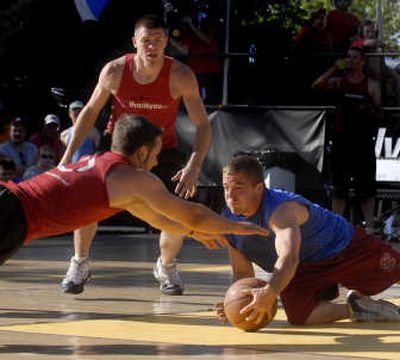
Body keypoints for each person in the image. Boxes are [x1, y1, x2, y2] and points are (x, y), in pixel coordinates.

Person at [59, 15, 211, 296]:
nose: (152, 46)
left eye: (158, 40)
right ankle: (79, 263)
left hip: (160, 149)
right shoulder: (115, 71)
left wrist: (194, 164)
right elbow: (90, 111)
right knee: (86, 200)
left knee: (177, 209)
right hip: (118, 147)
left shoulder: (180, 75)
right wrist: (68, 155)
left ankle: (166, 266)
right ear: (134, 42)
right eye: (146, 41)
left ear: (166, 42)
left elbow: (202, 124)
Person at [0, 115, 268, 268]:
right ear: (141, 152)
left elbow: (156, 218)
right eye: (155, 154)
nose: (155, 162)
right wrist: (237, 226)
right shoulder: (133, 177)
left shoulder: (107, 167)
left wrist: (193, 232)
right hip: (11, 214)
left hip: (12, 209)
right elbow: (192, 213)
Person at [214, 155, 400, 326]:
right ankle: (358, 308)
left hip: (345, 248)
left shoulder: (280, 210)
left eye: (238, 188)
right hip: (304, 268)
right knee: (299, 316)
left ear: (259, 187)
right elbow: (241, 272)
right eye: (226, 187)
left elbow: (288, 258)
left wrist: (270, 292)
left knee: (396, 269)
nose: (230, 196)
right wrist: (233, 299)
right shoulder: (228, 222)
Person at [312, 46, 381, 226]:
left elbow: (380, 114)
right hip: (342, 140)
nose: (351, 60)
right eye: (348, 57)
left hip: (363, 141)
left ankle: (370, 229)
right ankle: (337, 228)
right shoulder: (338, 81)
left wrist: (368, 108)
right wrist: (334, 67)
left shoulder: (372, 85)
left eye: (355, 57)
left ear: (363, 61)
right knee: (339, 189)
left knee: (366, 189)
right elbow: (317, 85)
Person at [0, 117, 38, 182]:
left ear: (25, 132)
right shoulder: (2, 149)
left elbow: (37, 167)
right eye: (14, 131)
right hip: (10, 185)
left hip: (31, 183)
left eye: (20, 131)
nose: (17, 133)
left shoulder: (32, 148)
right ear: (9, 132)